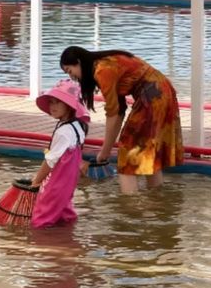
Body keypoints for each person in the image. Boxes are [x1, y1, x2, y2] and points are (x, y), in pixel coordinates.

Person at [60, 45, 184, 194]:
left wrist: (105, 151)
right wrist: (106, 148)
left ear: (78, 62)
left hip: (153, 96)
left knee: (127, 154)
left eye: (69, 71)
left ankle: (130, 206)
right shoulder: (108, 61)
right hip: (164, 91)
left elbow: (112, 113)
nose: (71, 76)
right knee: (150, 150)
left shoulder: (102, 70)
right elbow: (119, 112)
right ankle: (157, 198)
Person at [30, 79, 90, 228]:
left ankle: (44, 244)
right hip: (68, 184)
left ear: (69, 106)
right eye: (51, 102)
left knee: (41, 219)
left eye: (57, 102)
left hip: (57, 184)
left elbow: (50, 161)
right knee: (64, 213)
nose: (52, 106)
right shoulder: (77, 126)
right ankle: (68, 237)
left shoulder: (63, 132)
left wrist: (37, 181)